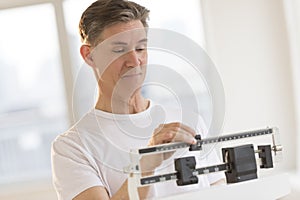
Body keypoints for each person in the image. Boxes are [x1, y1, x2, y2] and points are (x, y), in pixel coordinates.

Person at [51, 0, 224, 199]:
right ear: (89, 55)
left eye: (140, 48)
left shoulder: (188, 121)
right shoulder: (72, 148)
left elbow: (219, 190)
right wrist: (145, 164)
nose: (134, 61)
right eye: (119, 50)